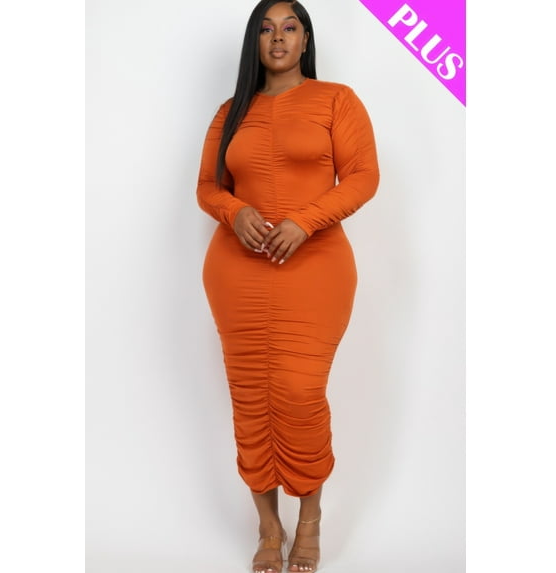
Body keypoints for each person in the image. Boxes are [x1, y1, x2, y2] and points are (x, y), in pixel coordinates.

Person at [196, 1, 379, 571]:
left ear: (305, 40)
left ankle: (312, 520)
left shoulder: (337, 100)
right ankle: (269, 527)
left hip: (315, 267)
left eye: (290, 27)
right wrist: (234, 212)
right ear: (255, 42)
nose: (278, 38)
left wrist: (305, 220)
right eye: (266, 29)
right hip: (238, 269)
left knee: (300, 393)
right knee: (251, 397)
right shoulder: (231, 112)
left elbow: (364, 176)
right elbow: (207, 186)